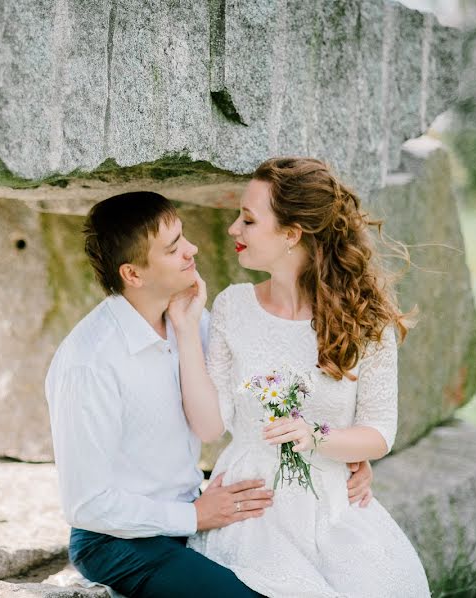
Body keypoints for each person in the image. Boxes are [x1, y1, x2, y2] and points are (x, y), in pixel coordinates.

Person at [45, 191, 375, 598]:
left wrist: (340, 449)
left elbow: (268, 395)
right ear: (133, 274)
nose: (192, 250)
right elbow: (87, 504)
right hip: (118, 541)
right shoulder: (90, 362)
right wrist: (193, 517)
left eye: (183, 237)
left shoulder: (193, 322)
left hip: (194, 513)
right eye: (174, 248)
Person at [168, 157, 430, 597]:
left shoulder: (367, 322)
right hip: (253, 505)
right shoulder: (234, 307)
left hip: (333, 503)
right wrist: (186, 331)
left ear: (292, 234)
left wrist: (317, 437)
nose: (234, 229)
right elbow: (212, 426)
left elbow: (379, 433)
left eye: (248, 220)